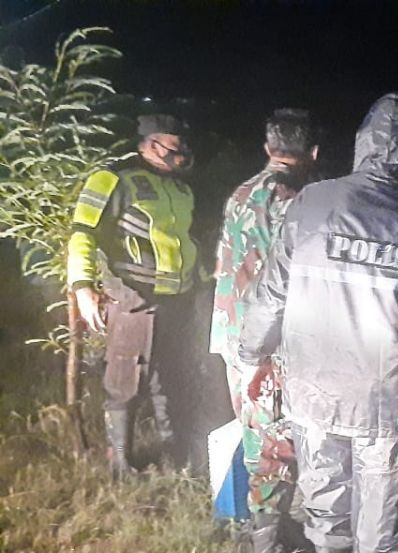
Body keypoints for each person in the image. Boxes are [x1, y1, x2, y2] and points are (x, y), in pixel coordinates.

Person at [239, 92, 398, 553]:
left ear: (362, 145)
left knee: (325, 517)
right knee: (383, 532)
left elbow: (270, 293)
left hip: (312, 396)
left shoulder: (311, 202)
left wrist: (251, 356)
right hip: (384, 402)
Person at [210, 108, 319, 552]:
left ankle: (267, 527)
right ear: (313, 151)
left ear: (268, 147)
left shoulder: (240, 193)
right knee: (277, 440)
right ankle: (267, 541)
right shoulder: (297, 198)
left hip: (231, 333)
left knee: (255, 429)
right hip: (269, 341)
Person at [67, 114, 198, 479]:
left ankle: (176, 455)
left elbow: (185, 242)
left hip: (178, 299)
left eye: (183, 145)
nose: (181, 153)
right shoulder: (111, 179)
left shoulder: (181, 189)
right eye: (174, 146)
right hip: (132, 296)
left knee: (170, 378)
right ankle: (121, 467)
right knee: (126, 378)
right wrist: (82, 287)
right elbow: (82, 232)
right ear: (149, 144)